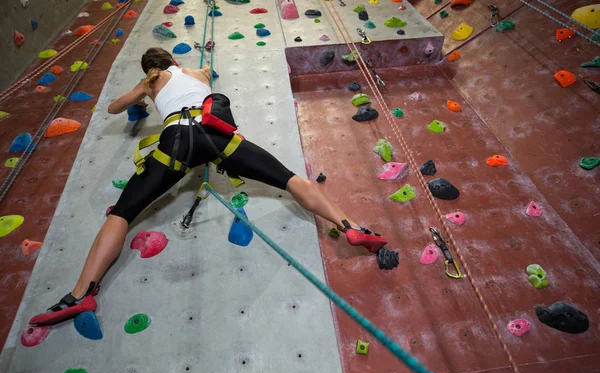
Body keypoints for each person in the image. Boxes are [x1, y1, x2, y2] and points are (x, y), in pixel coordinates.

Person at [29, 47, 390, 325]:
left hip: (177, 142)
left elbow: (112, 108)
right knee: (290, 178)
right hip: (220, 137)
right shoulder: (197, 71)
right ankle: (352, 227)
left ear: (150, 68)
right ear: (173, 59)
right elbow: (201, 82)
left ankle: (81, 294)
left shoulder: (152, 80)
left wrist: (140, 96)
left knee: (122, 213)